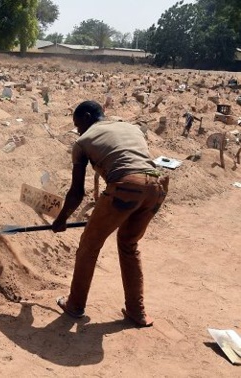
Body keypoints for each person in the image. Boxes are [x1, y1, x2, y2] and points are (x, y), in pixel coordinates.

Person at [52, 100, 168, 328]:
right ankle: (137, 312)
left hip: (125, 187)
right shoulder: (130, 127)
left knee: (89, 244)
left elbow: (76, 192)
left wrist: (62, 218)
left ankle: (75, 304)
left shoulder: (83, 141)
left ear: (86, 117)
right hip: (156, 187)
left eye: (78, 125)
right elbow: (139, 163)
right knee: (128, 243)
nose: (78, 130)